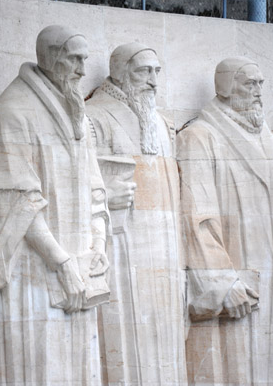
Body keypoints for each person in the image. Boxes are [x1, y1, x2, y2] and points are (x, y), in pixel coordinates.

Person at [0, 25, 109, 385]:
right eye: (74, 59)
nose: (82, 69)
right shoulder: (11, 112)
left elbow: (95, 187)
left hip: (77, 270)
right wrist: (60, 262)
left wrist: (98, 245)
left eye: (84, 60)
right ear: (50, 57)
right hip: (34, 273)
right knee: (37, 368)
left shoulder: (76, 114)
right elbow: (17, 200)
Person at [177, 56, 273, 384]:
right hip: (240, 279)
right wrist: (223, 283)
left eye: (260, 84)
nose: (258, 92)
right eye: (249, 84)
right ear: (224, 89)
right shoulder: (200, 136)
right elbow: (197, 218)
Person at [85, 43, 187, 385]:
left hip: (164, 254)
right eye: (144, 71)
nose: (154, 81)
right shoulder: (95, 116)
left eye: (157, 71)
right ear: (119, 72)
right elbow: (82, 184)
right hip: (121, 248)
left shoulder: (161, 123)